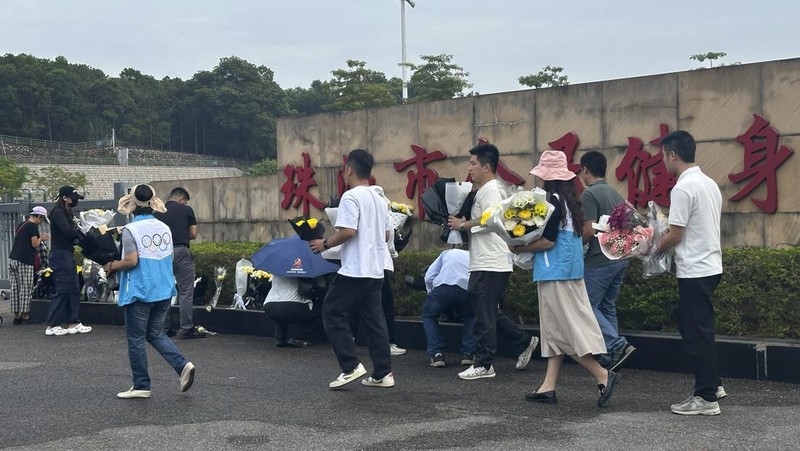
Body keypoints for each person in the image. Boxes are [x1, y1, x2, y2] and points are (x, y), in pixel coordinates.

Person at [515, 150, 619, 406]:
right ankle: (548, 386)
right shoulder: (570, 199)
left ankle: (602, 374)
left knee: (562, 331)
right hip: (570, 269)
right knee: (552, 330)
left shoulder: (551, 201)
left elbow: (548, 240)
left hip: (555, 272)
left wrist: (519, 247)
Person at [447, 143, 539, 380]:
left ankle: (485, 364)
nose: (470, 168)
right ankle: (524, 341)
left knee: (483, 314)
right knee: (486, 310)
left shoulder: (490, 190)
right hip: (486, 261)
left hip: (491, 261)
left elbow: (490, 221)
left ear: (486, 166)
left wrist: (463, 224)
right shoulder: (486, 189)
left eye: (473, 163)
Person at [309, 149, 394, 389]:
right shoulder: (379, 198)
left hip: (356, 269)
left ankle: (350, 366)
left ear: (349, 169)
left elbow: (348, 231)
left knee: (332, 311)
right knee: (375, 321)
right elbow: (387, 233)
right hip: (376, 269)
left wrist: (323, 243)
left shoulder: (351, 197)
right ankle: (383, 373)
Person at [103, 184, 196, 399]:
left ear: (132, 204)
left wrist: (111, 266)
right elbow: (169, 256)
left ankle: (141, 385)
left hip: (140, 290)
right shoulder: (163, 227)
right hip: (164, 289)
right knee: (155, 334)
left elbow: (131, 260)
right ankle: (183, 366)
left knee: (136, 339)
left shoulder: (130, 230)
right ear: (153, 203)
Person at [658, 130, 725, 416]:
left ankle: (706, 398)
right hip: (710, 266)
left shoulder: (683, 188)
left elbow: (676, 234)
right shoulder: (708, 183)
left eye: (663, 155)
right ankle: (714, 384)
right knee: (694, 327)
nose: (663, 161)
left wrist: (650, 247)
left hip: (695, 269)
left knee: (697, 333)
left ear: (672, 155)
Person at [578, 151, 636, 371]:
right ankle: (612, 354)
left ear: (585, 169)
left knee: (587, 305)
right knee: (607, 306)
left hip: (598, 259)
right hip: (620, 257)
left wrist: (573, 248)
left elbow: (588, 229)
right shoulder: (615, 193)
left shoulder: (589, 195)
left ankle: (616, 344)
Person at [153, 187, 205, 339]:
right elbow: (193, 234)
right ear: (182, 199)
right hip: (181, 251)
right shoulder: (186, 210)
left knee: (164, 291)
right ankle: (186, 329)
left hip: (162, 254)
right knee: (186, 292)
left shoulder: (157, 212)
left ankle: (164, 328)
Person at [45, 186, 92, 336]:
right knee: (63, 289)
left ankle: (73, 322)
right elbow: (66, 232)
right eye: (73, 197)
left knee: (72, 288)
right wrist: (82, 232)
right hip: (60, 255)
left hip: (65, 254)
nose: (75, 200)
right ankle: (52, 324)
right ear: (65, 198)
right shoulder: (58, 213)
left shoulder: (65, 212)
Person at [422, 248, 476, 368]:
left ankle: (437, 354)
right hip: (466, 289)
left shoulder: (446, 253)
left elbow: (429, 276)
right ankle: (468, 354)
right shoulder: (474, 255)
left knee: (429, 316)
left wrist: (430, 293)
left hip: (443, 288)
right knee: (471, 316)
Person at [9, 206, 50, 324]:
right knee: (26, 288)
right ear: (38, 216)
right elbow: (34, 244)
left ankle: (16, 316)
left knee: (15, 288)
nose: (41, 221)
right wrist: (41, 238)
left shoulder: (22, 224)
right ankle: (25, 316)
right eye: (42, 219)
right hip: (25, 260)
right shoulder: (33, 226)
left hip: (13, 258)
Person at [263, 275, 322, 347]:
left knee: (281, 315)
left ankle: (280, 339)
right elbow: (320, 284)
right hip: (293, 304)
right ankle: (297, 337)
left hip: (270, 304)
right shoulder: (301, 269)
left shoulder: (279, 268)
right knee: (322, 313)